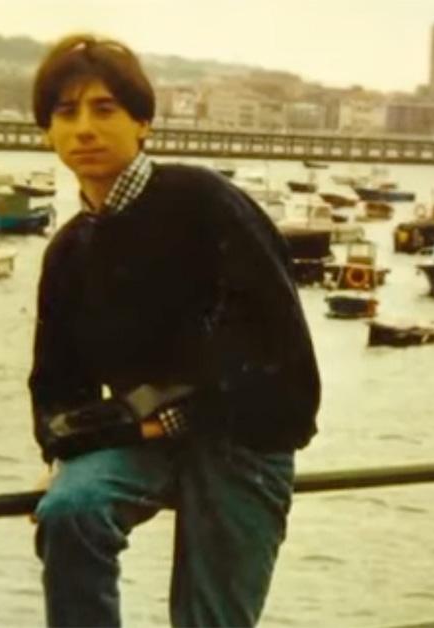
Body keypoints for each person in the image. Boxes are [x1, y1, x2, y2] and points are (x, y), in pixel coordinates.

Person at [27, 34, 321, 627]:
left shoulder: (203, 201)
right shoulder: (69, 251)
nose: (84, 128)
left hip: (246, 437)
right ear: (47, 134)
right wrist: (87, 439)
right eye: (66, 113)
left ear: (144, 124)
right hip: (146, 437)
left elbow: (270, 340)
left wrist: (167, 414)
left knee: (211, 620)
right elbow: (56, 387)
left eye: (105, 109)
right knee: (70, 510)